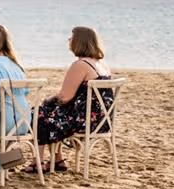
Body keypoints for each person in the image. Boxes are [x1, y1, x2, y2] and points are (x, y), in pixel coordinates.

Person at [34, 26, 114, 172]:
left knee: (39, 113)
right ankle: (57, 160)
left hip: (83, 122)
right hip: (103, 121)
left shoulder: (80, 65)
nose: (69, 40)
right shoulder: (102, 65)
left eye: (72, 38)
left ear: (79, 42)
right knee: (51, 113)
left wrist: (48, 100)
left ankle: (38, 162)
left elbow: (65, 97)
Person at [0, 24, 29, 174]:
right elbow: (25, 91)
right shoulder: (16, 64)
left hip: (3, 123)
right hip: (23, 121)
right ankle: (1, 163)